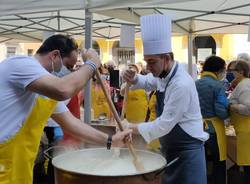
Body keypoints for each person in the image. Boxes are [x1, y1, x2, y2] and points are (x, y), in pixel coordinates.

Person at [0, 34, 131, 184]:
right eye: (69, 67)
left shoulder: (45, 87)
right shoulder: (20, 64)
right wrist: (93, 63)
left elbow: (71, 123)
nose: (71, 72)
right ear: (55, 55)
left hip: (19, 170)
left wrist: (110, 141)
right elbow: (63, 89)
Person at [122, 14, 208, 184]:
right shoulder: (165, 75)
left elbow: (163, 124)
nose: (148, 67)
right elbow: (149, 81)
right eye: (146, 62)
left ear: (167, 58)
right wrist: (135, 79)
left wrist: (130, 127)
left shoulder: (181, 83)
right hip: (171, 151)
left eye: (152, 62)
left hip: (188, 155)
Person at [195, 56, 229, 184]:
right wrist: (229, 110)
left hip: (197, 127)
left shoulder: (195, 83)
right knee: (219, 162)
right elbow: (221, 111)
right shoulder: (218, 85)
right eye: (224, 69)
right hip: (214, 128)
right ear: (218, 70)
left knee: (201, 162)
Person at [229, 60, 250, 184]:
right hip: (243, 129)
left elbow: (248, 108)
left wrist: (231, 106)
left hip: (246, 130)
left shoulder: (245, 85)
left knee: (248, 167)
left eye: (233, 71)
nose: (231, 73)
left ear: (241, 71)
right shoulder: (242, 83)